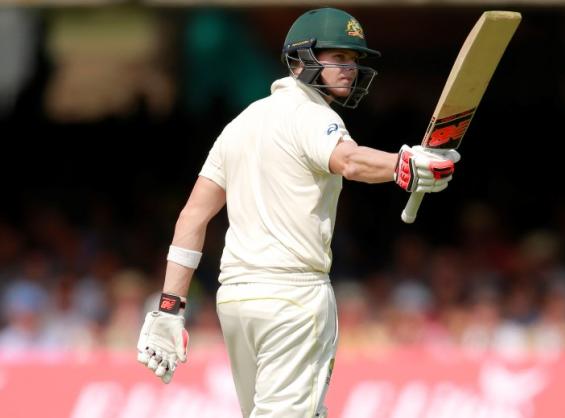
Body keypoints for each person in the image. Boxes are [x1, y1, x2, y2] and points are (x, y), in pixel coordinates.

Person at [137, 7, 460, 418]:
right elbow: (351, 161)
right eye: (338, 58)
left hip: (236, 300)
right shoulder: (313, 117)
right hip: (293, 298)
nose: (349, 69)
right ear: (300, 58)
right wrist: (406, 166)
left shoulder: (241, 123)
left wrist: (169, 308)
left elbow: (192, 218)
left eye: (353, 61)